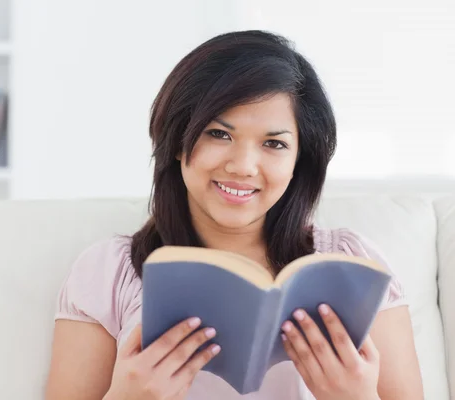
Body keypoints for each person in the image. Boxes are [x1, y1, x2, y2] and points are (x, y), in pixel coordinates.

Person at [44, 30, 423, 399]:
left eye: (274, 143)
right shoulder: (108, 272)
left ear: (298, 161)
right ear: (177, 141)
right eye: (219, 134)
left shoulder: (355, 265)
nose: (243, 166)